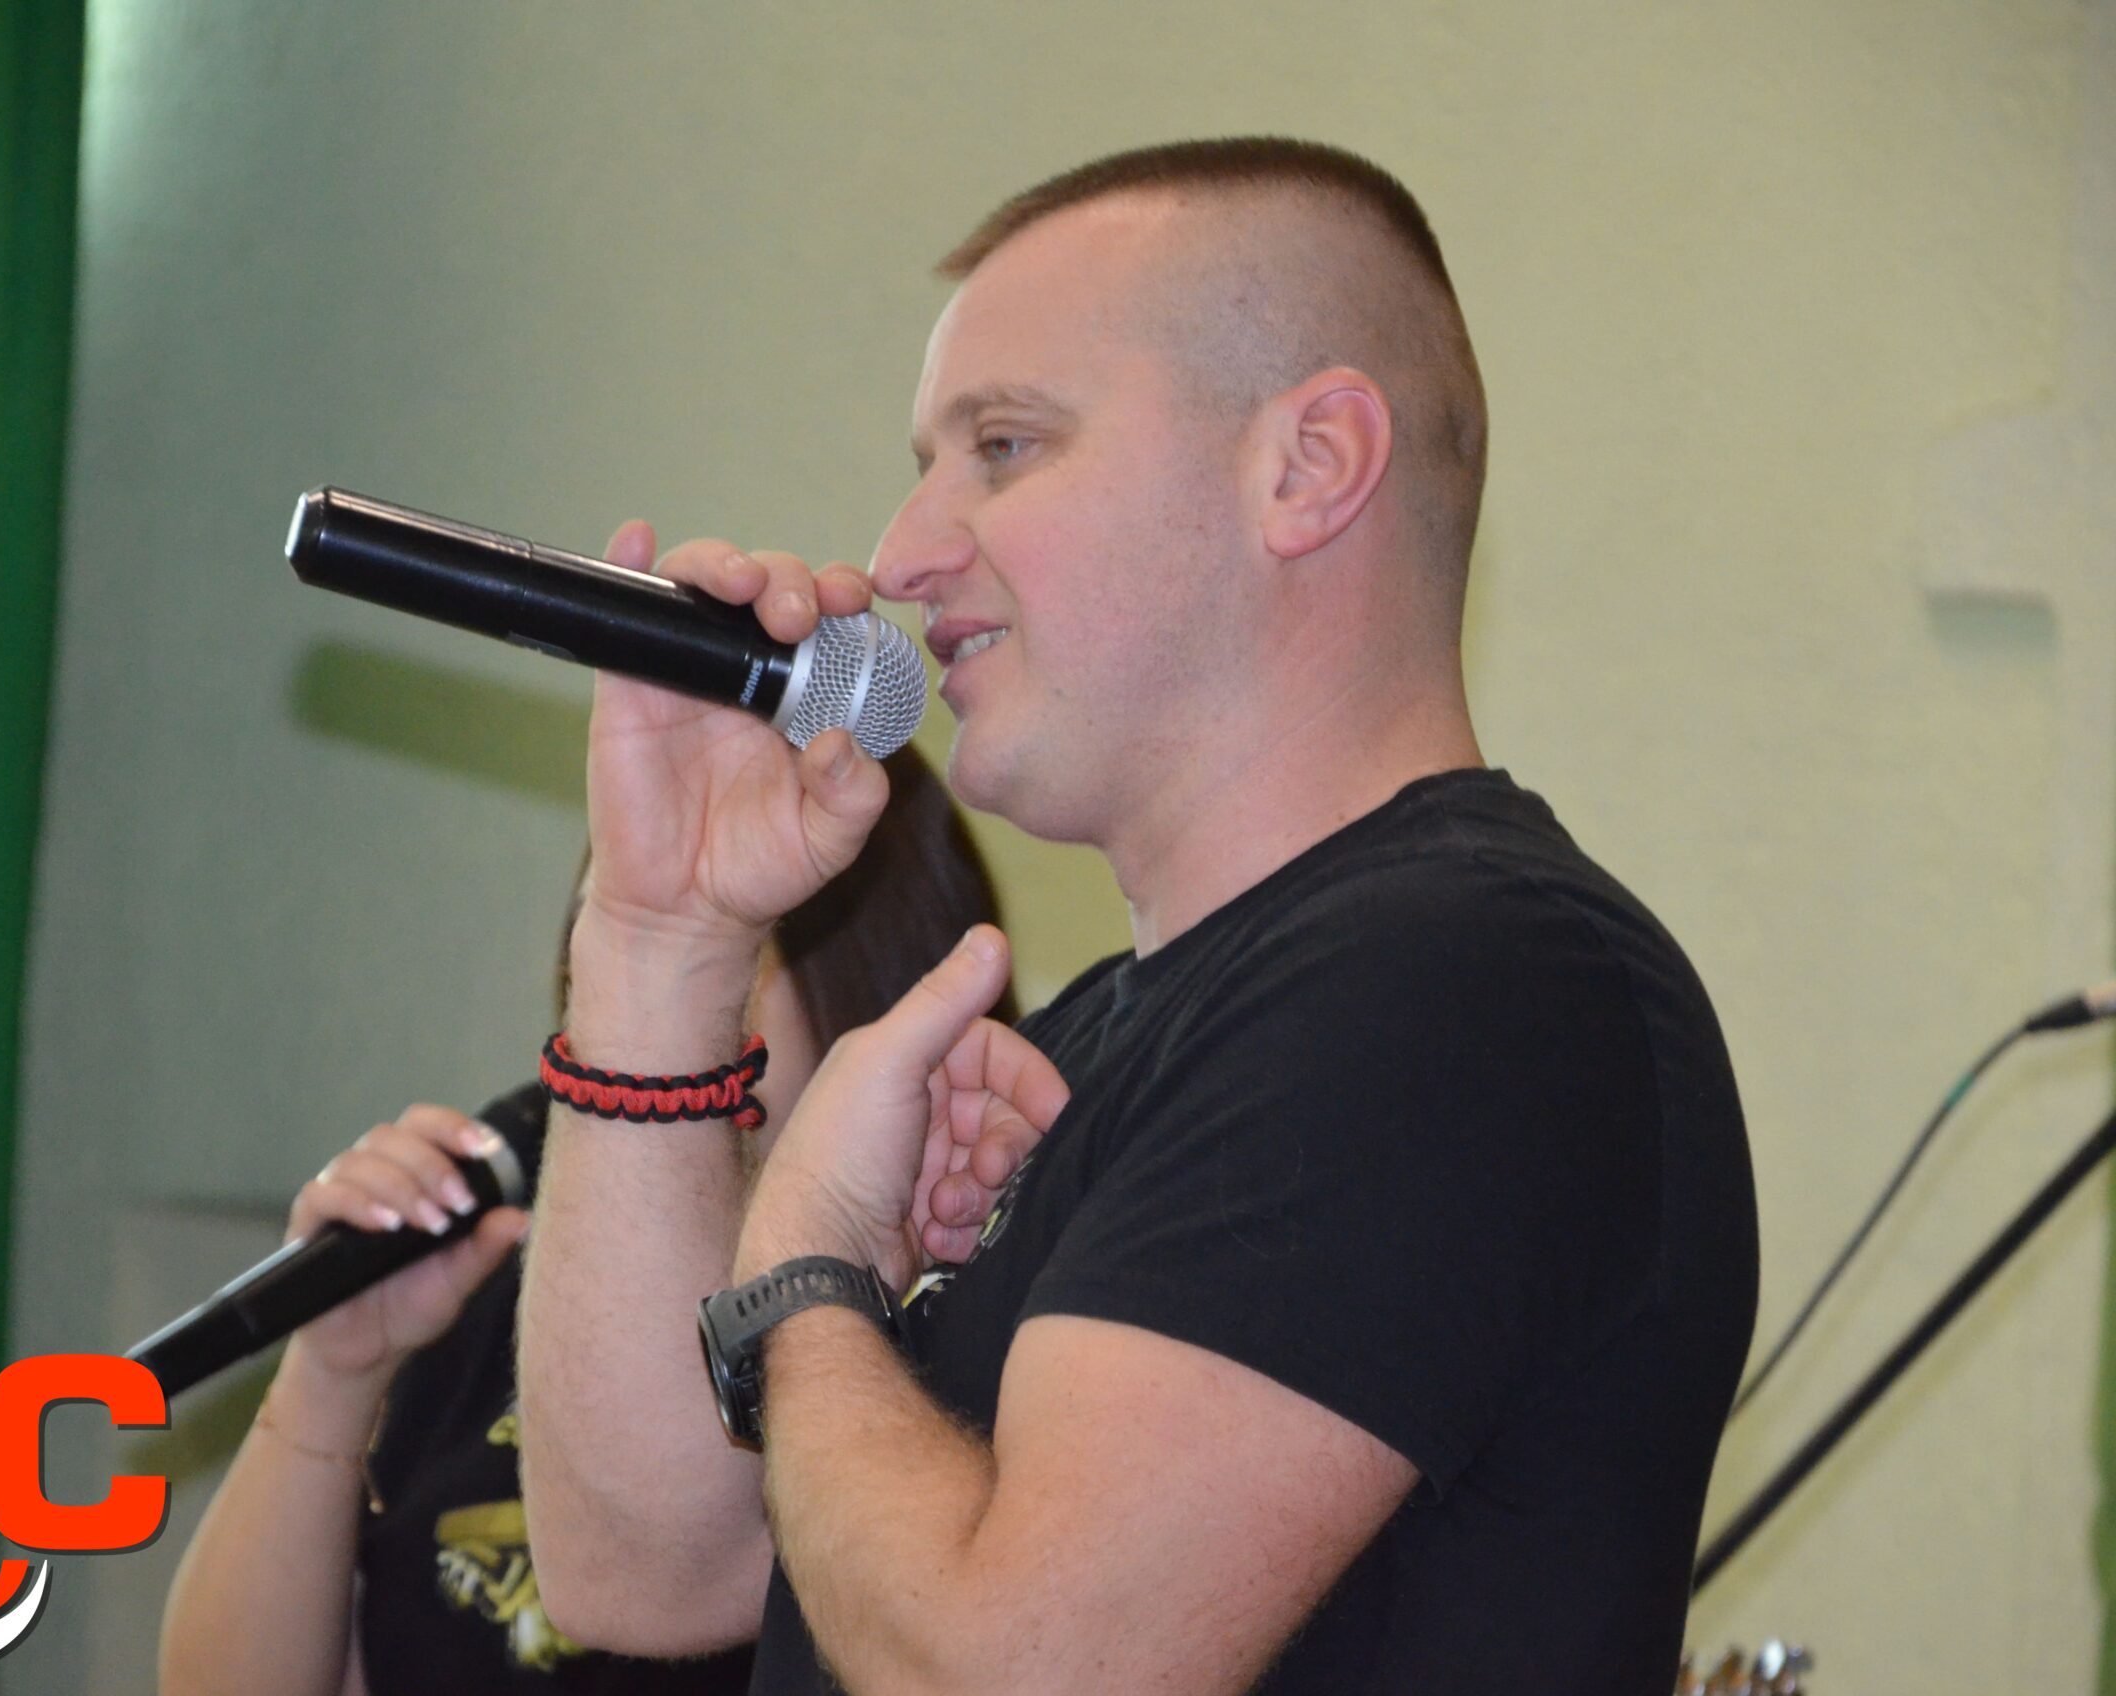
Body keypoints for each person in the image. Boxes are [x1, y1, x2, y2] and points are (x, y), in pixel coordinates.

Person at [515, 137, 1760, 1694]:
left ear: (1309, 468)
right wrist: (660, 941)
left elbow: (1021, 1673)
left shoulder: (1468, 985)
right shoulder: (1106, 1035)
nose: (902, 555)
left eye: (1006, 446)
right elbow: (641, 1569)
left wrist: (806, 1279)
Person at [157, 746, 1021, 1696]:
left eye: (713, 945)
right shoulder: (513, 1301)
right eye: (617, 946)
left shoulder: (941, 1344)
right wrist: (333, 1374)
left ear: (878, 975)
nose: (642, 1007)